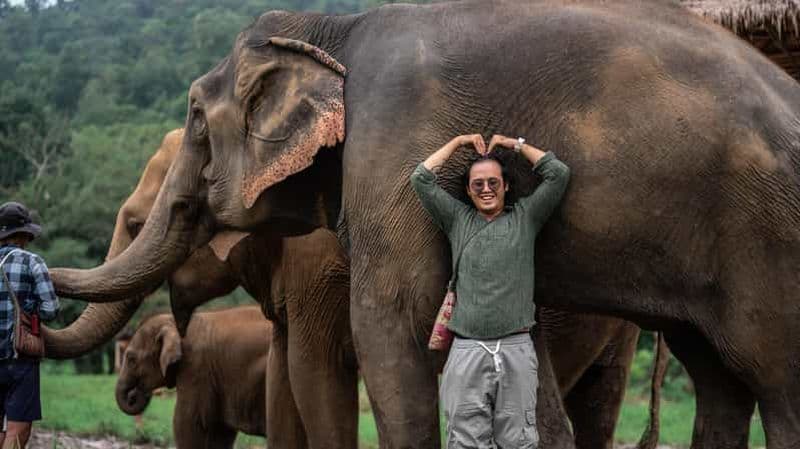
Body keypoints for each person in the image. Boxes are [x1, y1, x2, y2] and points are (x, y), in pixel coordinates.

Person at [410, 134, 570, 448]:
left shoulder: (525, 217)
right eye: (478, 184)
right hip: (467, 351)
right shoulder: (458, 219)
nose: (486, 189)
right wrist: (457, 143)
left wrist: (515, 145)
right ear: (468, 190)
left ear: (506, 186)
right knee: (465, 440)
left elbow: (558, 173)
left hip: (516, 349)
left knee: (518, 441)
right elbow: (422, 178)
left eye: (493, 183)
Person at [0, 202, 59, 449]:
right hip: (19, 359)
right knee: (17, 432)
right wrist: (30, 307)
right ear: (24, 235)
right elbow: (51, 310)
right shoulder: (32, 262)